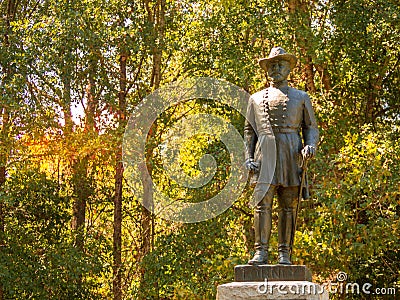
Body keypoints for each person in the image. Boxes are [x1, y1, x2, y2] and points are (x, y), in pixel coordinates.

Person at [244, 47, 319, 265]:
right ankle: (261, 252)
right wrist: (248, 157)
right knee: (262, 204)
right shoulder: (255, 99)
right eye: (272, 65)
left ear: (288, 68)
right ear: (266, 70)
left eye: (280, 65)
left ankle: (284, 253)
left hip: (290, 152)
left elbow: (311, 127)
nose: (276, 69)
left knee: (288, 205)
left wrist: (310, 145)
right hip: (264, 155)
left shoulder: (301, 97)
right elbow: (249, 131)